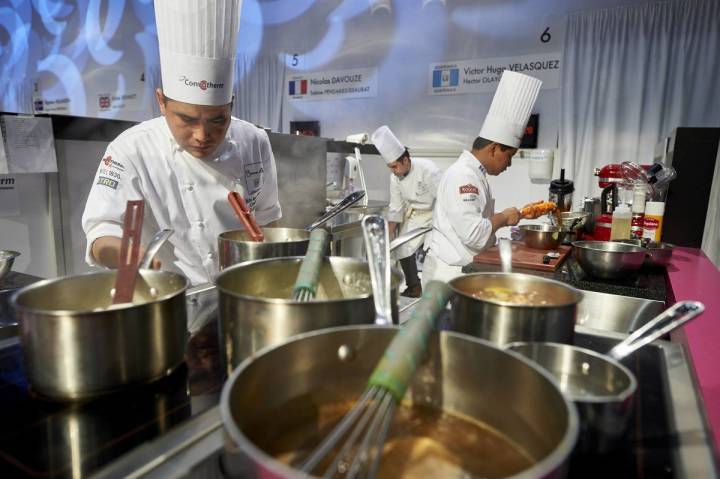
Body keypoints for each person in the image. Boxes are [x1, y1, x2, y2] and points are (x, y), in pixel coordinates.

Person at [82, 0, 281, 285]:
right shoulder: (130, 150)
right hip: (170, 298)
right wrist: (125, 254)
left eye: (217, 120)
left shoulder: (254, 141)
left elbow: (268, 221)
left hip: (242, 290)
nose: (202, 135)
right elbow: (102, 230)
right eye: (187, 120)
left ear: (231, 104)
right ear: (161, 102)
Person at [423, 70, 545, 285]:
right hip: (450, 277)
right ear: (494, 149)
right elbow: (474, 234)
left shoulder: (474, 174)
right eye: (509, 156)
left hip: (463, 271)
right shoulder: (463, 176)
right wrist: (505, 218)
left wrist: (520, 213)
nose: (509, 164)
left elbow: (475, 221)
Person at [371, 125, 441, 298]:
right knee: (401, 246)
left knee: (435, 251)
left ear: (405, 159)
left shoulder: (428, 169)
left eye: (394, 166)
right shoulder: (394, 177)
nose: (393, 171)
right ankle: (414, 286)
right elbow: (396, 207)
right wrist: (387, 236)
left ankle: (434, 290)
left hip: (436, 213)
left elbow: (443, 198)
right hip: (415, 214)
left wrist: (441, 226)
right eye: (390, 167)